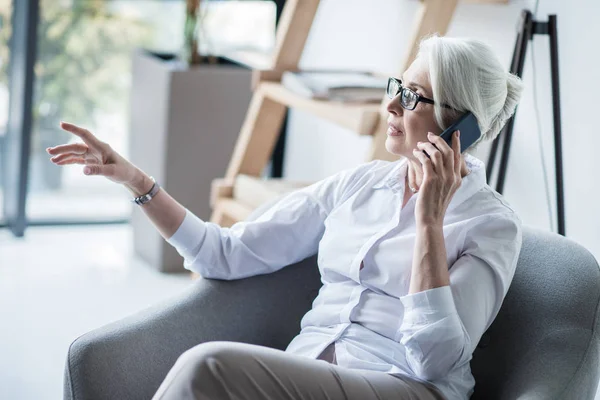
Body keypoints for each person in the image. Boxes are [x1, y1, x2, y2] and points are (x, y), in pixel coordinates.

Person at [47, 35, 524, 400]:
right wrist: (136, 181)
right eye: (397, 87)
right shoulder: (359, 185)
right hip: (310, 369)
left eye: (414, 96)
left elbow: (435, 360)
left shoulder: (490, 225)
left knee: (207, 368)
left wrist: (428, 222)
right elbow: (224, 254)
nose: (392, 106)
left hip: (405, 387)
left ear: (464, 126)